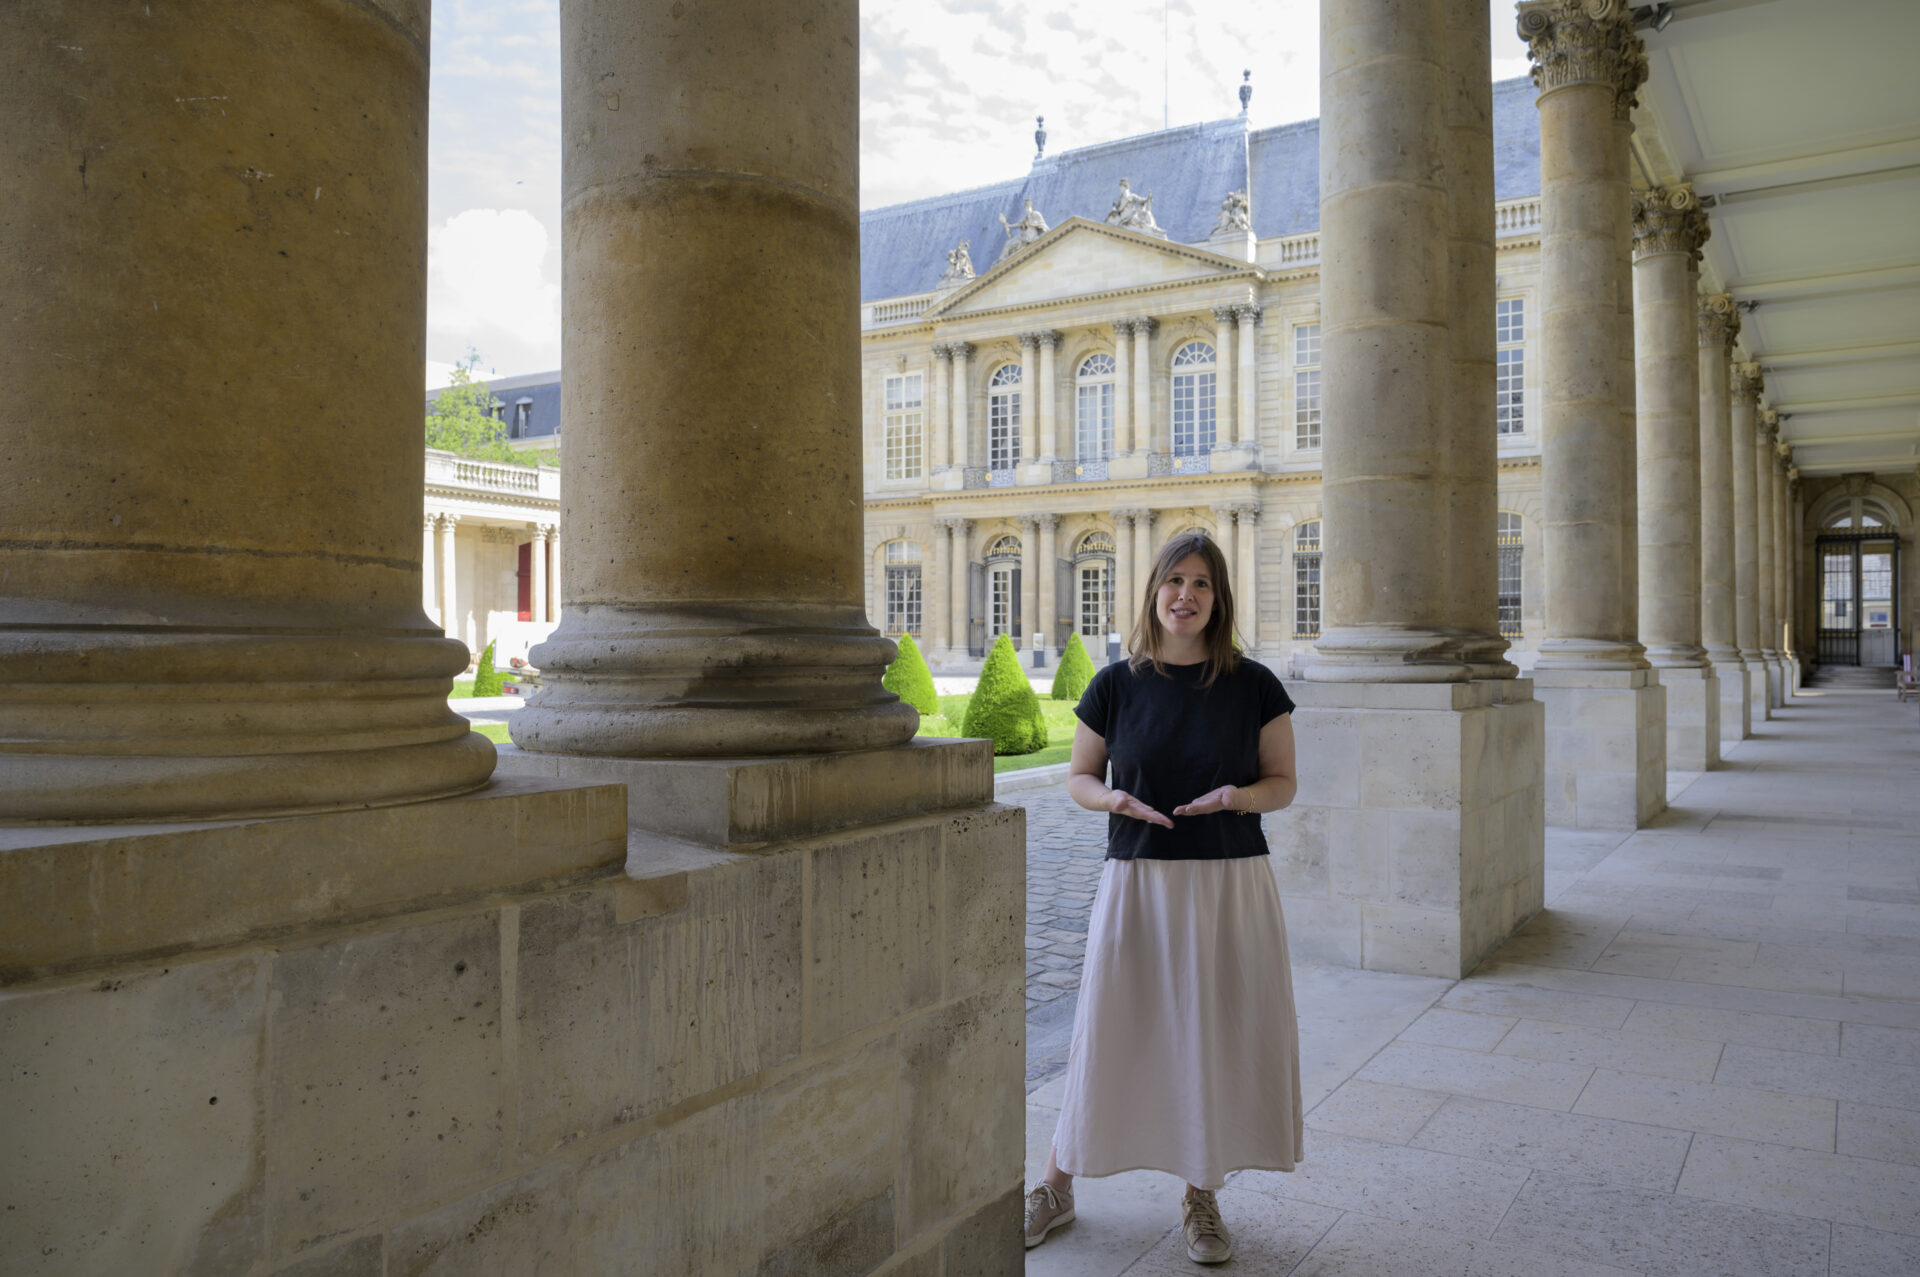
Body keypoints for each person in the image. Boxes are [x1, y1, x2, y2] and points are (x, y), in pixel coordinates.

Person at [1023, 531, 1303, 1265]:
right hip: (1138, 880)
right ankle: (1056, 1183)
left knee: (1207, 1034)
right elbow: (1079, 774)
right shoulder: (1116, 683)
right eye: (1175, 579)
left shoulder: (1256, 685)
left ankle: (1200, 1193)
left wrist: (1240, 794)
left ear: (1220, 598)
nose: (1186, 594)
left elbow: (1283, 781)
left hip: (1227, 883)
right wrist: (1110, 796)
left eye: (1203, 583)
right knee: (1108, 1028)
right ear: (1153, 589)